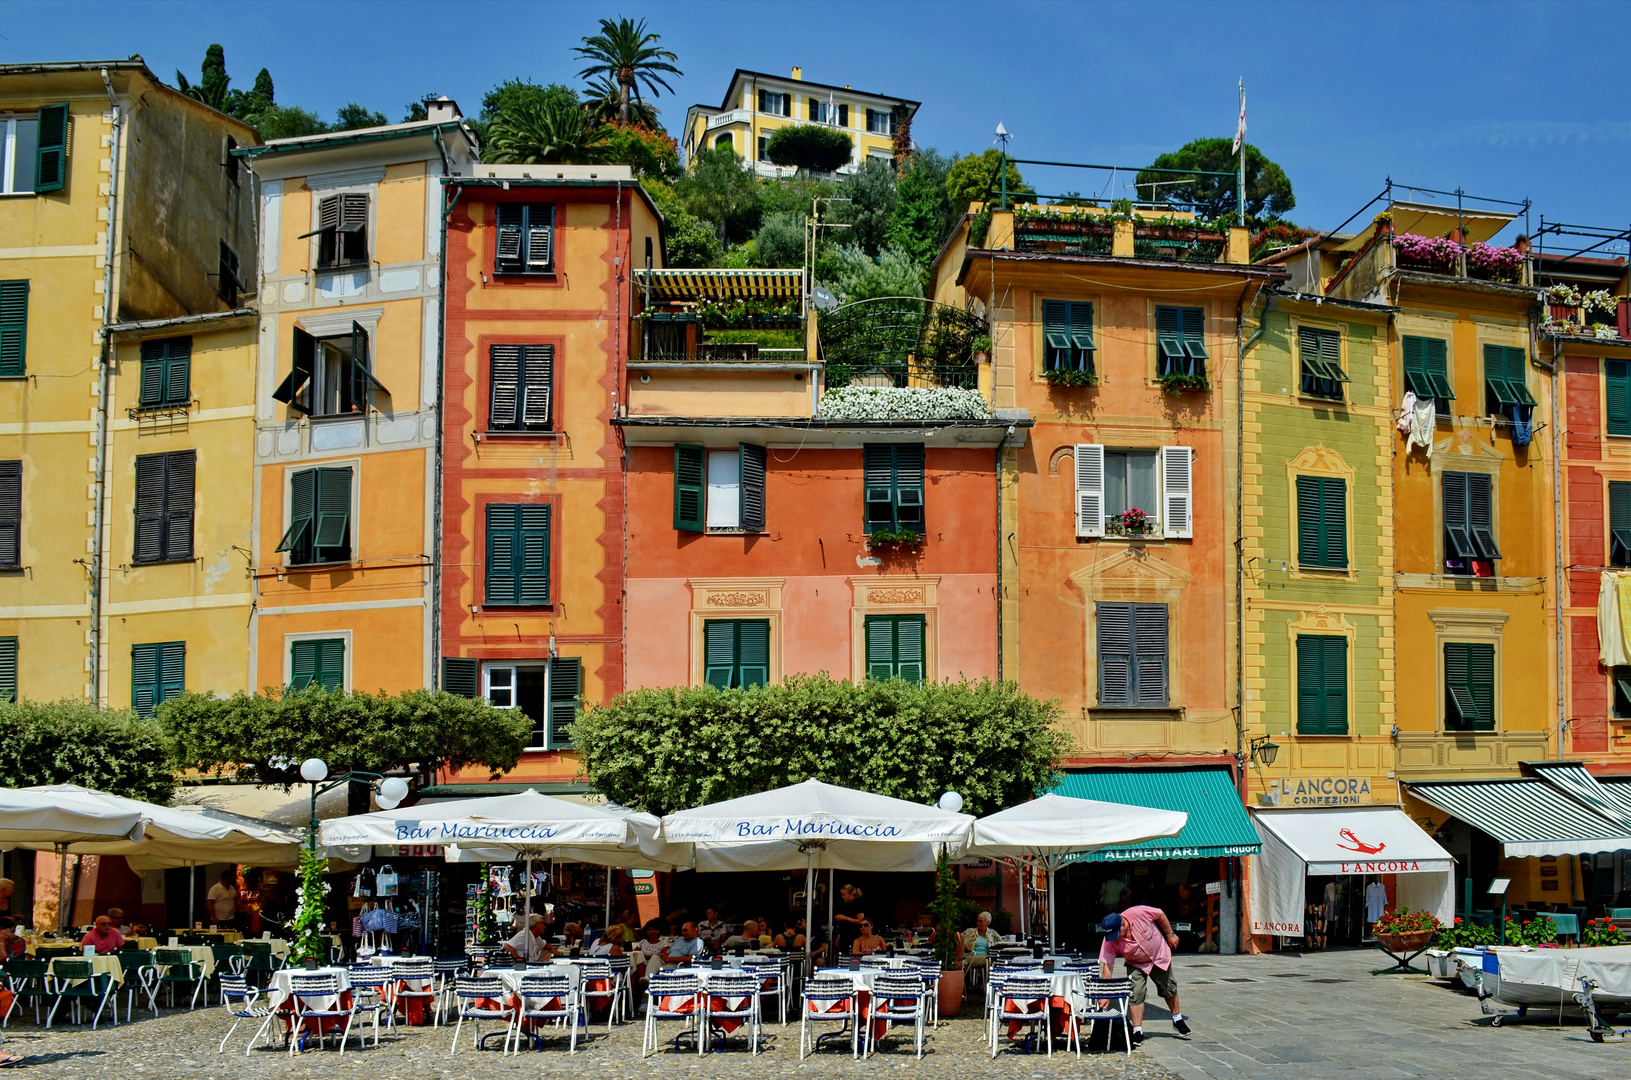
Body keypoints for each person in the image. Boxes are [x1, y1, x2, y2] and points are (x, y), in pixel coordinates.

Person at [1098, 907, 1190, 1048]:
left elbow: (1160, 914)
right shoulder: (1110, 940)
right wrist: (1105, 994)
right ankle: (1137, 1031)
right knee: (1136, 993)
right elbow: (1107, 967)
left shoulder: (1139, 913)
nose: (1115, 937)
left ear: (1123, 924)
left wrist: (1170, 934)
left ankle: (1177, 1019)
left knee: (1168, 988)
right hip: (1135, 963)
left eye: (1117, 933)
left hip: (1158, 956)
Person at [963, 911, 997, 988]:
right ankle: (988, 984)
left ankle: (994, 984)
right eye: (977, 921)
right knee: (990, 960)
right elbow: (959, 940)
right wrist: (964, 946)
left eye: (981, 921)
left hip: (987, 957)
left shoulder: (992, 933)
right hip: (971, 956)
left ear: (987, 923)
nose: (978, 923)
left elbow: (1000, 943)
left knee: (995, 960)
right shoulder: (969, 932)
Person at [833, 884, 865, 954]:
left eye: (844, 894)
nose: (843, 897)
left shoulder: (856, 904)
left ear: (851, 894)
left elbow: (861, 921)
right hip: (845, 935)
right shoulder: (847, 905)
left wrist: (845, 918)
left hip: (853, 935)